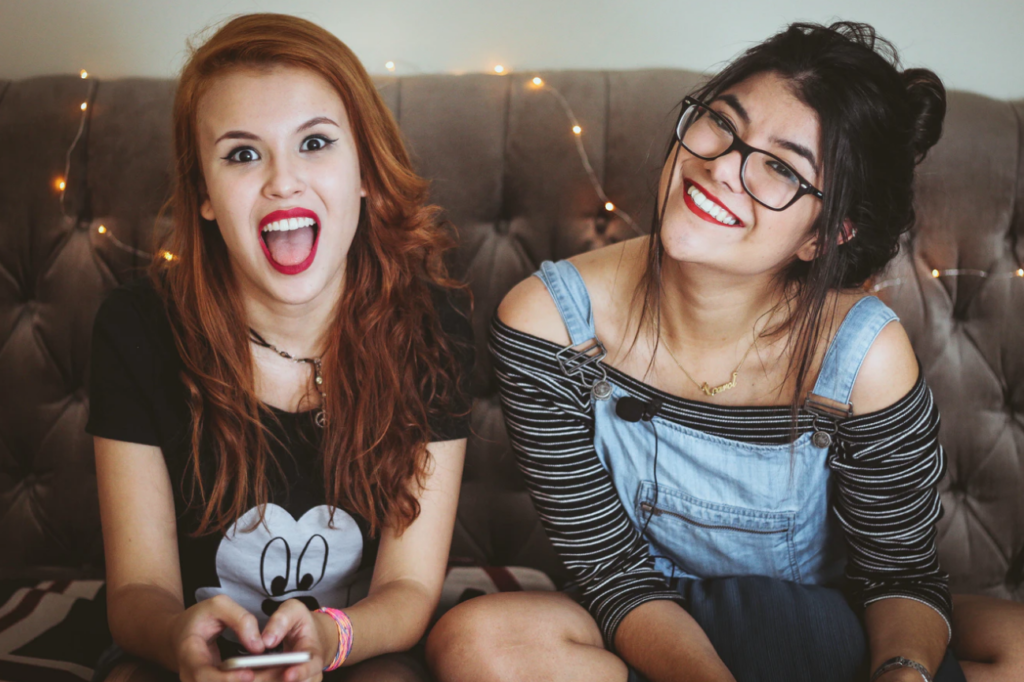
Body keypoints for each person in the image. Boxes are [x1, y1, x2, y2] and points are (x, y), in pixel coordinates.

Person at [425, 21, 1024, 682]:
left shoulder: (865, 354)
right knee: (479, 640)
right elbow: (612, 573)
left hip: (834, 622)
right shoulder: (547, 322)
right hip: (652, 626)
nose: (720, 167)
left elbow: (901, 573)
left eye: (779, 166)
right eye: (721, 122)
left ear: (824, 236)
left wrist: (902, 673)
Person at [87, 13, 473, 682]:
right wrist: (177, 634)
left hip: (360, 650)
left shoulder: (433, 326)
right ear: (204, 194)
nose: (282, 181)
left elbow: (407, 593)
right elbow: (135, 594)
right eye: (242, 153)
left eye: (315, 143)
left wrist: (331, 640)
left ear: (365, 173)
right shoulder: (137, 327)